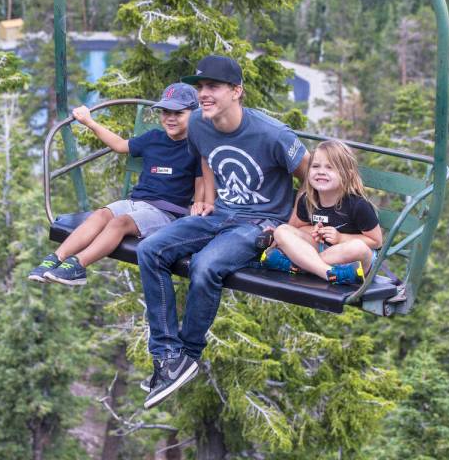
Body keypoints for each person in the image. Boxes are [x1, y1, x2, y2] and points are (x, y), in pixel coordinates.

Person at [137, 55, 310, 409]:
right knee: (149, 250)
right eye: (201, 87)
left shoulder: (273, 134)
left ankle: (188, 353)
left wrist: (293, 226)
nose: (204, 94)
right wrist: (209, 199)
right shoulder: (199, 124)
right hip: (221, 215)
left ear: (237, 91)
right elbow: (206, 158)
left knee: (205, 266)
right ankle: (169, 357)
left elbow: (310, 175)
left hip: (260, 223)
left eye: (213, 86)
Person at [28, 83, 204, 286]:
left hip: (164, 213)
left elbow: (201, 184)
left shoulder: (196, 147)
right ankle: (56, 258)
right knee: (101, 214)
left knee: (119, 223)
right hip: (136, 203)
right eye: (165, 112)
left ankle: (78, 265)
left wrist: (198, 205)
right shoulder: (153, 138)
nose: (170, 118)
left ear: (194, 114)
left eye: (178, 113)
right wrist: (89, 122)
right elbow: (120, 145)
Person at [262, 140, 383, 284]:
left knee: (358, 248)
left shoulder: (358, 205)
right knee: (282, 231)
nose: (321, 172)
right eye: (315, 166)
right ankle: (328, 273)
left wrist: (340, 238)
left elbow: (376, 242)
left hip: (351, 261)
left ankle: (300, 266)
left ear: (348, 175)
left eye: (330, 167)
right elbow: (298, 228)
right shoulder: (308, 199)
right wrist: (314, 230)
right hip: (322, 252)